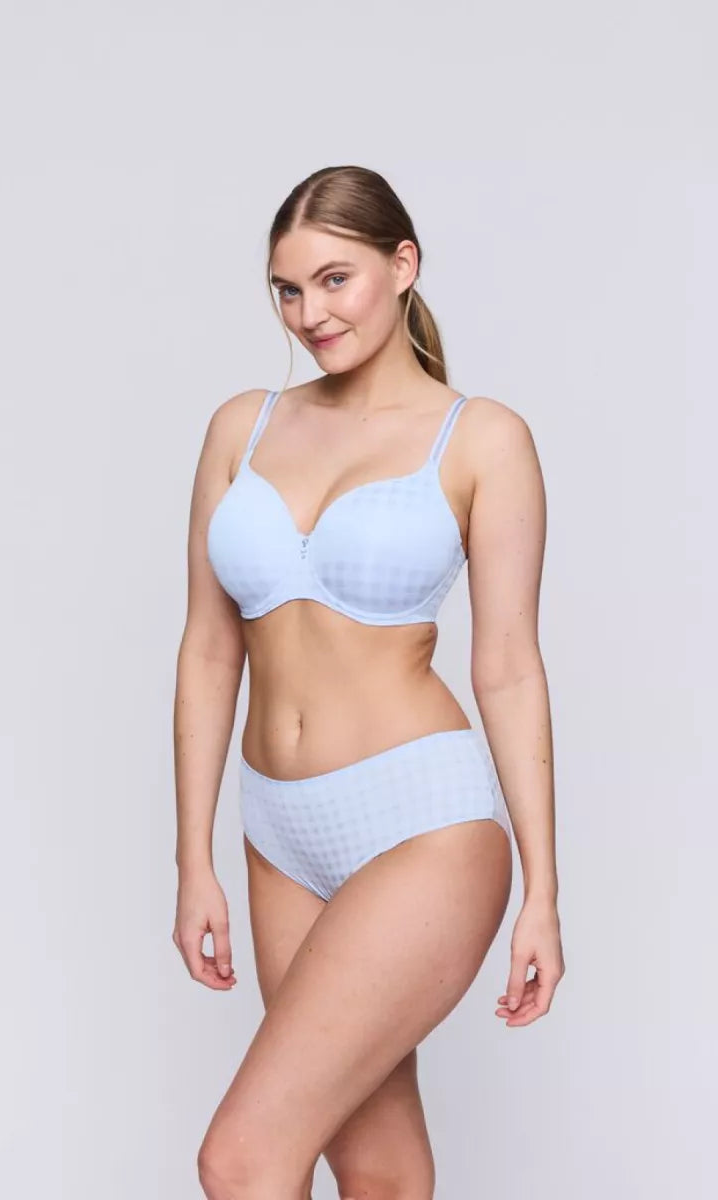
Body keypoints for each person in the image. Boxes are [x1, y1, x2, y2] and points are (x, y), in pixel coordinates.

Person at [173, 164, 564, 1200]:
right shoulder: (242, 427)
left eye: (335, 279)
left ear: (403, 265)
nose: (310, 313)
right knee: (376, 1166)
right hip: (276, 834)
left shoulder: (481, 438)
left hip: (422, 823)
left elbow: (508, 668)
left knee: (241, 1158)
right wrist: (192, 859)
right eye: (287, 289)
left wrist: (542, 893)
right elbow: (208, 650)